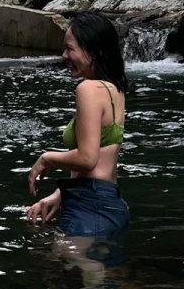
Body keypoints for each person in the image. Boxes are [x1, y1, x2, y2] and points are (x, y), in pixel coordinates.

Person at [25, 12, 130, 236]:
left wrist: (46, 157)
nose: (64, 55)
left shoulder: (88, 89)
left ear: (94, 52)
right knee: (89, 266)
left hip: (89, 207)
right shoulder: (115, 90)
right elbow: (103, 161)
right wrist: (60, 195)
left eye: (70, 49)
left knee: (68, 263)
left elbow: (88, 159)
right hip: (111, 203)